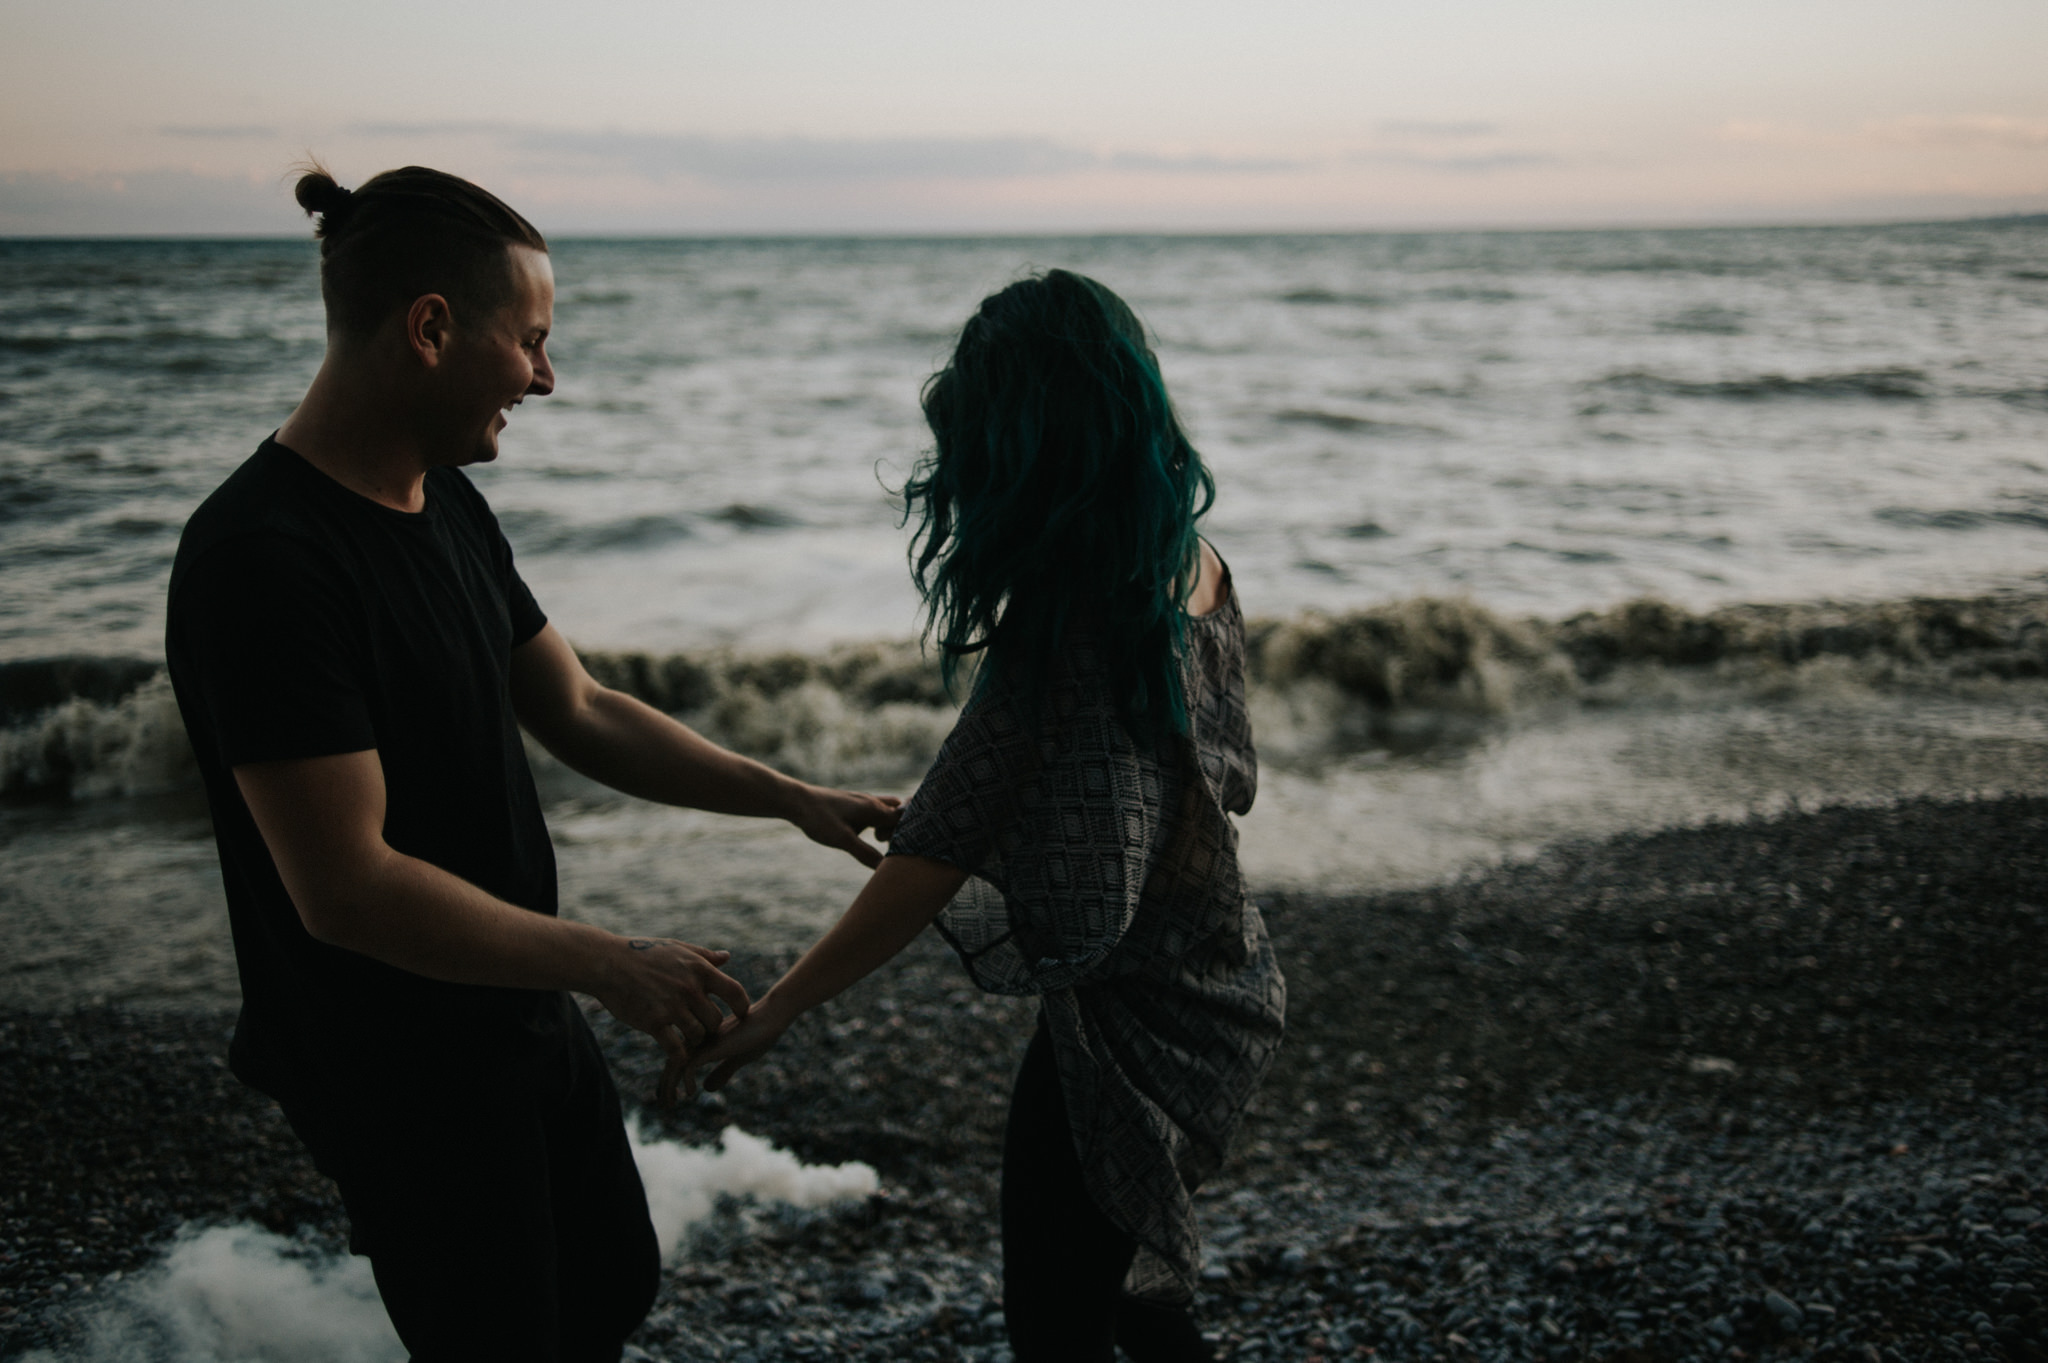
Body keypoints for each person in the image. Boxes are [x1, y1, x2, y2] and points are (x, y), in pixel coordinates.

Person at [163, 164, 900, 1362]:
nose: (547, 377)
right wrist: (614, 964)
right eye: (534, 341)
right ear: (433, 327)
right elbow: (343, 889)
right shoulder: (264, 558)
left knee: (609, 1283)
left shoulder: (443, 501)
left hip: (512, 999)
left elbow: (579, 704)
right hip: (394, 1059)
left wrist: (790, 800)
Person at [680, 270, 1287, 1362]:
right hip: (1216, 981)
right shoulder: (1194, 563)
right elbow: (1195, 776)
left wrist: (778, 1006)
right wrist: (1007, 804)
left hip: (1129, 1020)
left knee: (1061, 1325)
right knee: (1125, 1295)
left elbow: (935, 853)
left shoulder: (1070, 619)